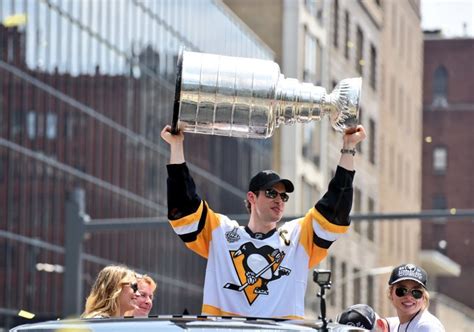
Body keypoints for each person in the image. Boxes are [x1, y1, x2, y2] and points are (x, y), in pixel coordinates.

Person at [161, 124, 366, 318]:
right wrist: (177, 145)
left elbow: (334, 211)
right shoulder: (221, 232)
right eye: (271, 193)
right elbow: (185, 209)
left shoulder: (297, 236)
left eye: (283, 196)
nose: (278, 199)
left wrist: (348, 148)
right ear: (252, 197)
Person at [381, 264, 445, 331]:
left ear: (424, 297)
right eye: (401, 290)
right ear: (391, 293)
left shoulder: (427, 326)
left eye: (416, 292)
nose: (409, 297)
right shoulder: (397, 325)